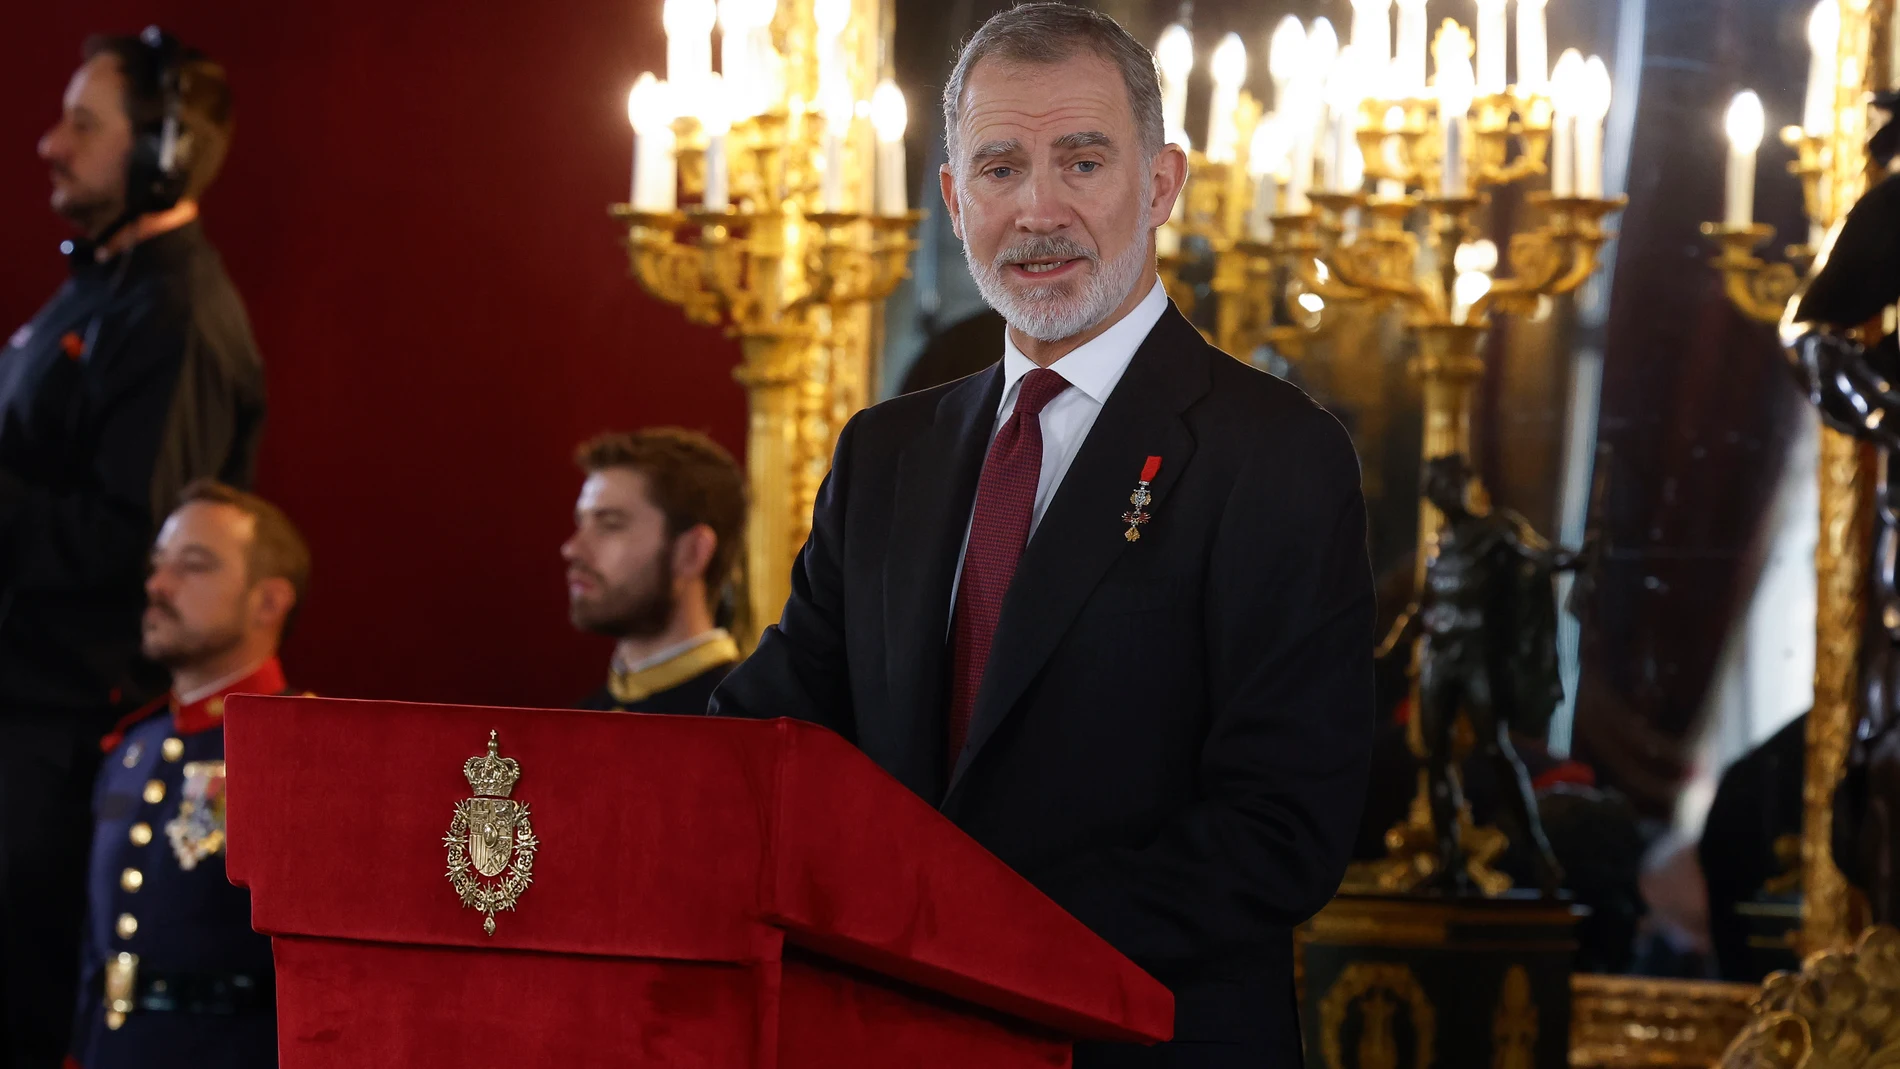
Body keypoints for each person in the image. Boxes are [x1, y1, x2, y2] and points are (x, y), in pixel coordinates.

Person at [711, 6, 1376, 1064]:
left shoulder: (1273, 454)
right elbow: (765, 742)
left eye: (1080, 161)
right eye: (999, 167)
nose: (1036, 210)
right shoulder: (886, 453)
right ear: (949, 198)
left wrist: (968, 934)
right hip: (888, 1039)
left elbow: (1281, 828)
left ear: (1160, 184)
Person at [4, 29, 263, 1066]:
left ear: (163, 152)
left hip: (63, 740)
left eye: (82, 123)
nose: (47, 144)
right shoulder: (97, 290)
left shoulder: (177, 315)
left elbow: (135, 547)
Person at [71, 480, 308, 1069]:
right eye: (157, 567)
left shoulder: (304, 753)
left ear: (268, 602)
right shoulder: (133, 746)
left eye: (193, 566)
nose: (158, 585)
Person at [563, 429, 747, 714]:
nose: (572, 549)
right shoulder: (576, 722)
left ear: (692, 551)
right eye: (582, 523)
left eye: (609, 524)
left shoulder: (746, 722)